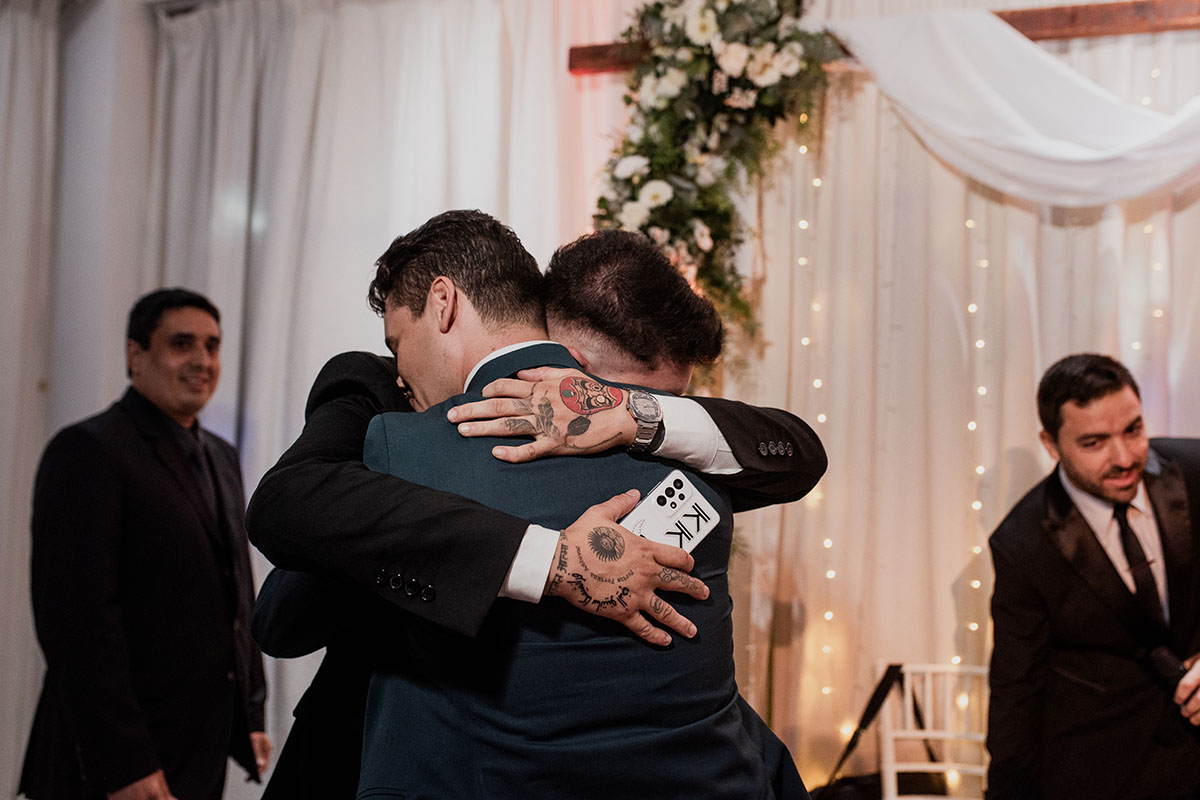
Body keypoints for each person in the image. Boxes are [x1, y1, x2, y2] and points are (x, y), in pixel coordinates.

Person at [251, 227, 822, 797]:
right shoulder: (381, 406)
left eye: (399, 342)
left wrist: (635, 413)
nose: (400, 371)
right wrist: (548, 558)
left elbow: (799, 452)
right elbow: (291, 516)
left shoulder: (662, 435)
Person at [20, 289, 269, 800]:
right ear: (136, 355)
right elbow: (77, 625)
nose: (202, 360)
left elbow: (235, 591)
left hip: (198, 749)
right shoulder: (88, 451)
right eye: (182, 344)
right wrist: (124, 763)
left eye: (212, 345)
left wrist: (250, 711)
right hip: (114, 765)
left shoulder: (221, 455)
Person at [986, 353, 1200, 800]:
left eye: (1134, 430)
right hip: (1101, 772)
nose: (1124, 457)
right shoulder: (1022, 543)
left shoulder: (1194, 470)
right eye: (1094, 443)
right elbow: (1016, 690)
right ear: (1051, 443)